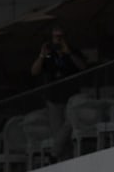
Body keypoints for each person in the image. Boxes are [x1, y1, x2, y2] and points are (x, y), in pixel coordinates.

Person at [30, 26, 86, 158]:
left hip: (71, 96)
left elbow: (82, 66)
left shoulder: (71, 51)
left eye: (61, 37)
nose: (58, 40)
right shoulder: (49, 54)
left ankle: (54, 153)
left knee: (70, 123)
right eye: (56, 37)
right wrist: (42, 55)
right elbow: (34, 71)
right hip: (54, 98)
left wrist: (69, 52)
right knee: (58, 131)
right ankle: (63, 159)